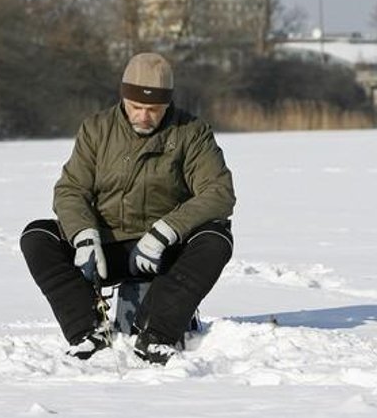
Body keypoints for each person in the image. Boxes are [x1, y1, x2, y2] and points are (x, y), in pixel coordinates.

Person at [20, 52, 236, 364]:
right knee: (38, 235)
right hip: (106, 249)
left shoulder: (192, 132)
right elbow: (71, 189)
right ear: (123, 97)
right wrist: (83, 235)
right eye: (136, 107)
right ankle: (86, 333)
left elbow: (219, 193)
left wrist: (164, 233)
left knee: (217, 238)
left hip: (164, 252)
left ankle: (156, 334)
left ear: (167, 104)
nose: (144, 116)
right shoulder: (96, 129)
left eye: (154, 109)